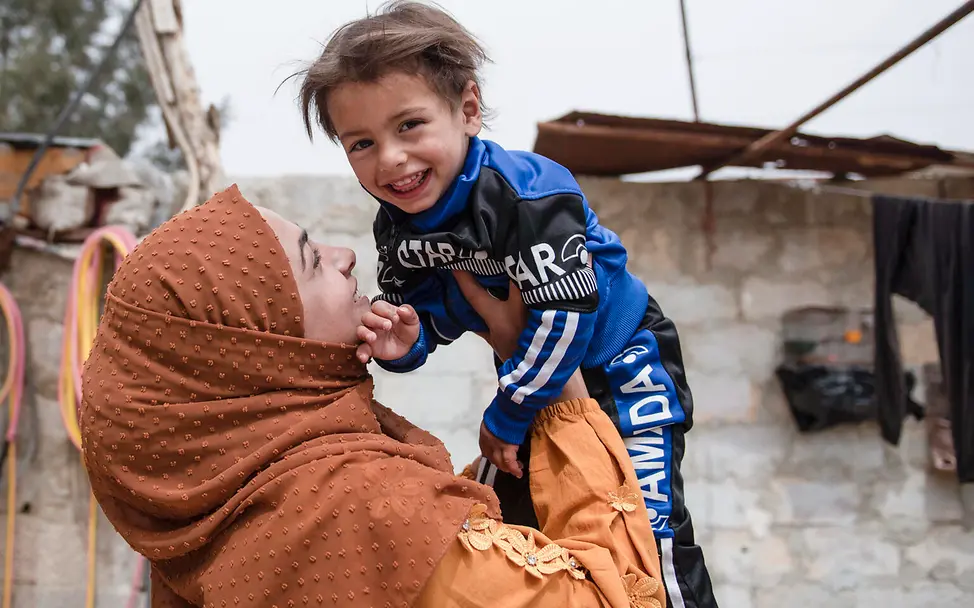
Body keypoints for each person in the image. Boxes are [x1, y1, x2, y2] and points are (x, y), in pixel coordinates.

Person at [294, 2, 716, 605]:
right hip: (528, 374)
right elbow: (430, 314)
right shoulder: (398, 226)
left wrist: (508, 414)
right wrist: (407, 342)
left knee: (645, 539)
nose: (389, 158)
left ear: (468, 110)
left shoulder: (530, 196)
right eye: (361, 143)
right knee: (506, 519)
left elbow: (568, 319)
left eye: (409, 126)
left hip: (623, 370)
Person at [80, 184, 667, 608]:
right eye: (314, 260)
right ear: (264, 345)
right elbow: (611, 598)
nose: (346, 256)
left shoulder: (225, 514)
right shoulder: (360, 515)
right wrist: (556, 385)